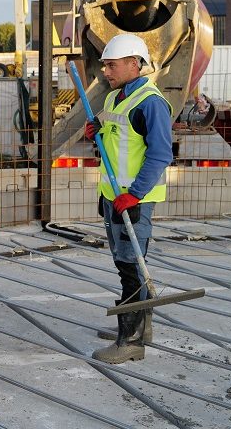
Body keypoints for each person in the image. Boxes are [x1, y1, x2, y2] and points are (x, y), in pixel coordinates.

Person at [85, 33, 173, 364]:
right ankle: (140, 326)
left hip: (134, 201)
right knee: (129, 262)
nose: (105, 72)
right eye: (105, 65)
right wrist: (96, 130)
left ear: (134, 64)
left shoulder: (150, 103)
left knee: (130, 267)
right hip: (114, 197)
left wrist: (135, 195)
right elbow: (119, 140)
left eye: (111, 65)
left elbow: (160, 154)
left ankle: (132, 340)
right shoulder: (114, 99)